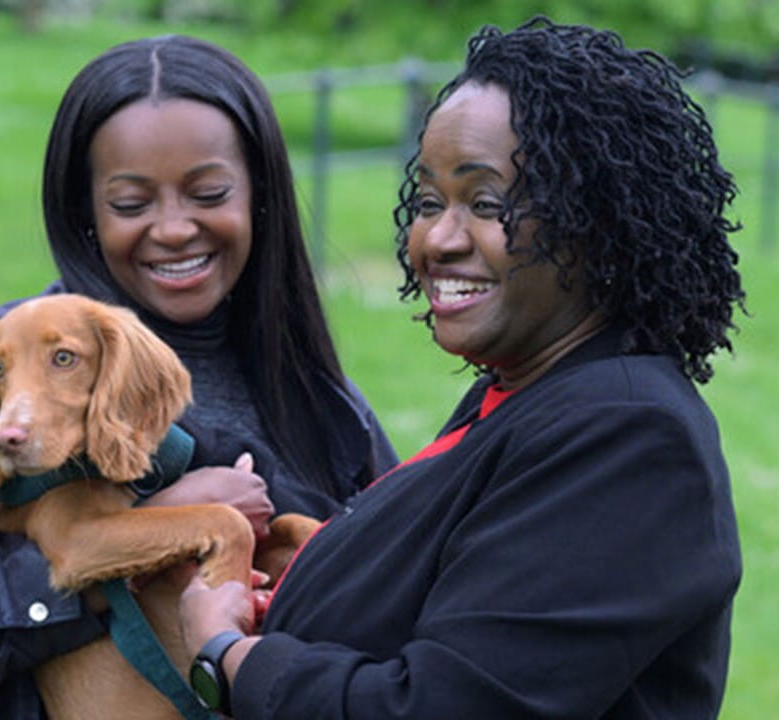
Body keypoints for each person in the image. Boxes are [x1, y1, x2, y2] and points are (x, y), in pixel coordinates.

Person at [0, 35, 398, 718]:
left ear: (260, 195)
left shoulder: (324, 402)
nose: (174, 229)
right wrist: (136, 542)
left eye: (208, 193)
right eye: (131, 203)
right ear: (86, 213)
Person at [177, 17, 744, 719]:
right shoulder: (523, 393)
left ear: (595, 224)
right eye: (427, 202)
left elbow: (447, 705)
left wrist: (229, 656)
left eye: (484, 204)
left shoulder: (629, 436)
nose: (438, 239)